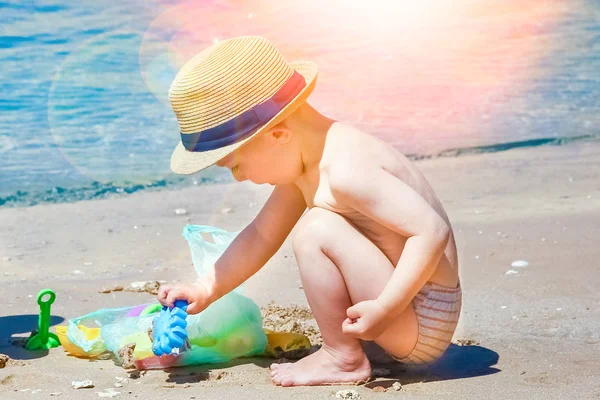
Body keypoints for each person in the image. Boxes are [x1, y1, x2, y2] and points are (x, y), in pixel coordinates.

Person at [158, 36, 461, 386]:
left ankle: (342, 358)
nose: (239, 177)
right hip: (399, 312)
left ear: (278, 135)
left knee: (317, 229)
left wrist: (387, 308)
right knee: (319, 225)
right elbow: (261, 235)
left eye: (234, 163)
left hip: (421, 318)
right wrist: (205, 288)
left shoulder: (347, 171)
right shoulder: (308, 164)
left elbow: (431, 231)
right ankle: (351, 348)